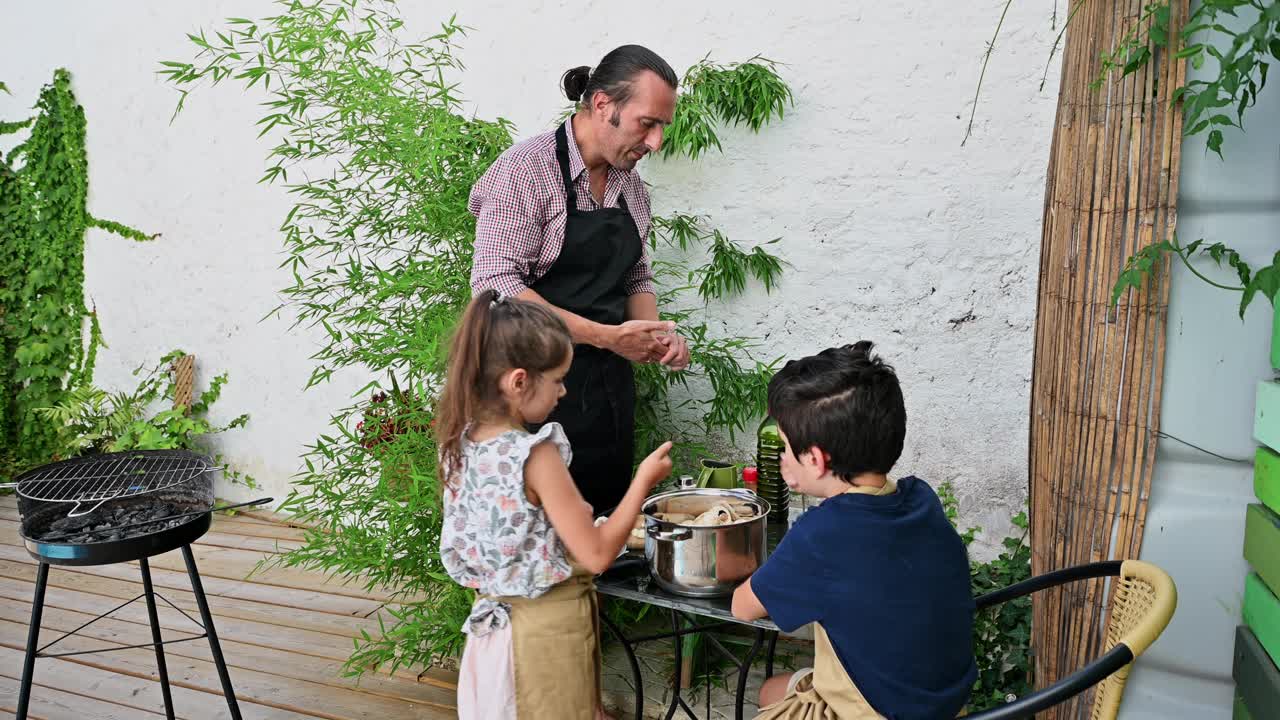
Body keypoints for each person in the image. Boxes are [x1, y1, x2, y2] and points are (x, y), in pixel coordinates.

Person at [469, 44, 690, 515]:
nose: (655, 143)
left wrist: (658, 337)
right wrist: (607, 337)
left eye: (662, 128)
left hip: (607, 394)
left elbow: (635, 273)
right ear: (604, 105)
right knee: (542, 541)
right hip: (529, 394)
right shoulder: (525, 172)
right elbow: (496, 286)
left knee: (604, 531)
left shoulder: (630, 187)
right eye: (647, 123)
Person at [435, 290, 674, 720]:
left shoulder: (459, 442)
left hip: (491, 635)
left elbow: (511, 532)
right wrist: (643, 482)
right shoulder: (535, 455)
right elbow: (598, 554)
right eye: (558, 379)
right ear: (519, 381)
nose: (564, 391)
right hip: (544, 635)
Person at [731, 342, 976, 719]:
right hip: (945, 705)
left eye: (783, 447)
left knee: (770, 697)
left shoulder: (821, 536)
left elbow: (743, 607)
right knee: (772, 689)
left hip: (874, 713)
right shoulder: (920, 499)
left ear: (814, 460)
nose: (780, 458)